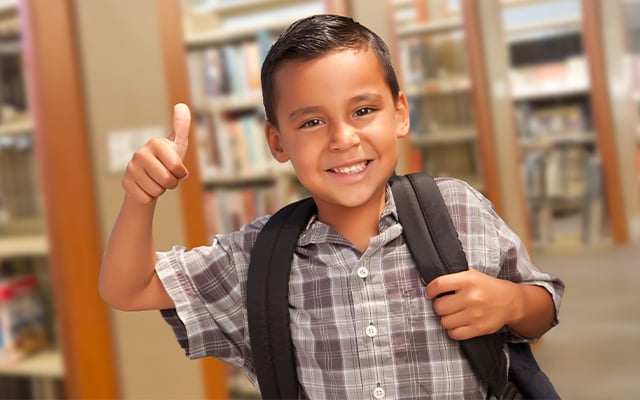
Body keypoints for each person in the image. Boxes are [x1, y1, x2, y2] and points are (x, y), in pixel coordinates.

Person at [99, 14, 564, 399]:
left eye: (363, 111)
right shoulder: (257, 257)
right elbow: (129, 289)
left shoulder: (457, 208)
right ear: (277, 142)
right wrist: (140, 199)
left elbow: (542, 305)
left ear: (399, 113)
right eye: (313, 121)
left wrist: (512, 301)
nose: (343, 139)